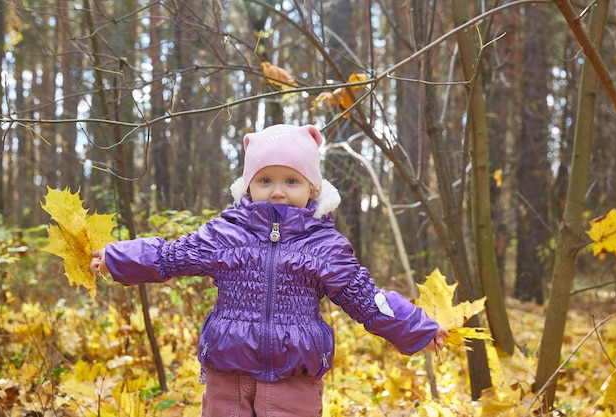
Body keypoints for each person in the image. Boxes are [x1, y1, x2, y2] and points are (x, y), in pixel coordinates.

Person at [90, 124, 449, 417]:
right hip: (228, 374)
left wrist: (416, 329)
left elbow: (366, 299)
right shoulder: (225, 234)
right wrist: (116, 258)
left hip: (294, 377)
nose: (277, 192)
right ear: (248, 186)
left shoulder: (324, 247)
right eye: (266, 181)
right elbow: (170, 256)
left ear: (312, 188)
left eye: (290, 181)